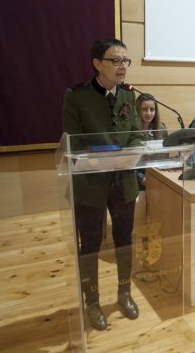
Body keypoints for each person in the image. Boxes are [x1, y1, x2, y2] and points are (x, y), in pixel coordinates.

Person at [62, 38, 141, 331]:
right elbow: (73, 141)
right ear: (97, 64)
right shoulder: (77, 96)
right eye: (116, 60)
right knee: (91, 244)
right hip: (90, 183)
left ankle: (124, 293)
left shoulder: (128, 96)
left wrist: (133, 150)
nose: (122, 67)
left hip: (124, 182)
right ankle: (92, 302)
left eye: (125, 61)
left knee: (124, 240)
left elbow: (134, 133)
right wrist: (106, 157)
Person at [136, 93, 168, 190]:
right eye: (144, 109)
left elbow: (165, 157)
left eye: (152, 109)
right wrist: (142, 179)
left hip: (158, 175)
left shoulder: (161, 128)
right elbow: (128, 164)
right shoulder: (132, 131)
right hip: (138, 179)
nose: (149, 113)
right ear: (137, 110)